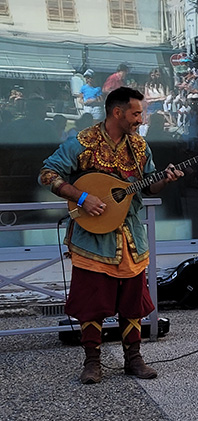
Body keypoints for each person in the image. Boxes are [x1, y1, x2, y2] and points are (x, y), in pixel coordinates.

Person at [38, 87, 184, 384]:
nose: (141, 119)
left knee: (132, 301)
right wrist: (81, 198)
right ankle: (92, 362)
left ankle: (134, 359)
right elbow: (48, 174)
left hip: (130, 236)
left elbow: (147, 186)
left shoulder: (140, 147)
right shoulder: (83, 142)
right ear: (117, 112)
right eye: (136, 113)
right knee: (91, 302)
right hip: (92, 238)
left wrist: (164, 181)